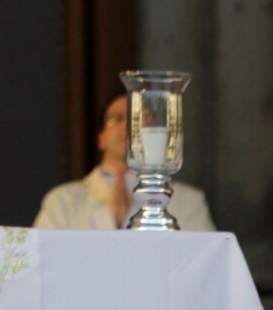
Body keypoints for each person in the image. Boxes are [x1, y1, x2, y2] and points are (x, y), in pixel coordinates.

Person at [33, 94, 216, 231]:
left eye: (140, 120)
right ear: (101, 138)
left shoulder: (188, 201)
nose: (129, 127)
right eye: (118, 119)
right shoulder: (62, 201)